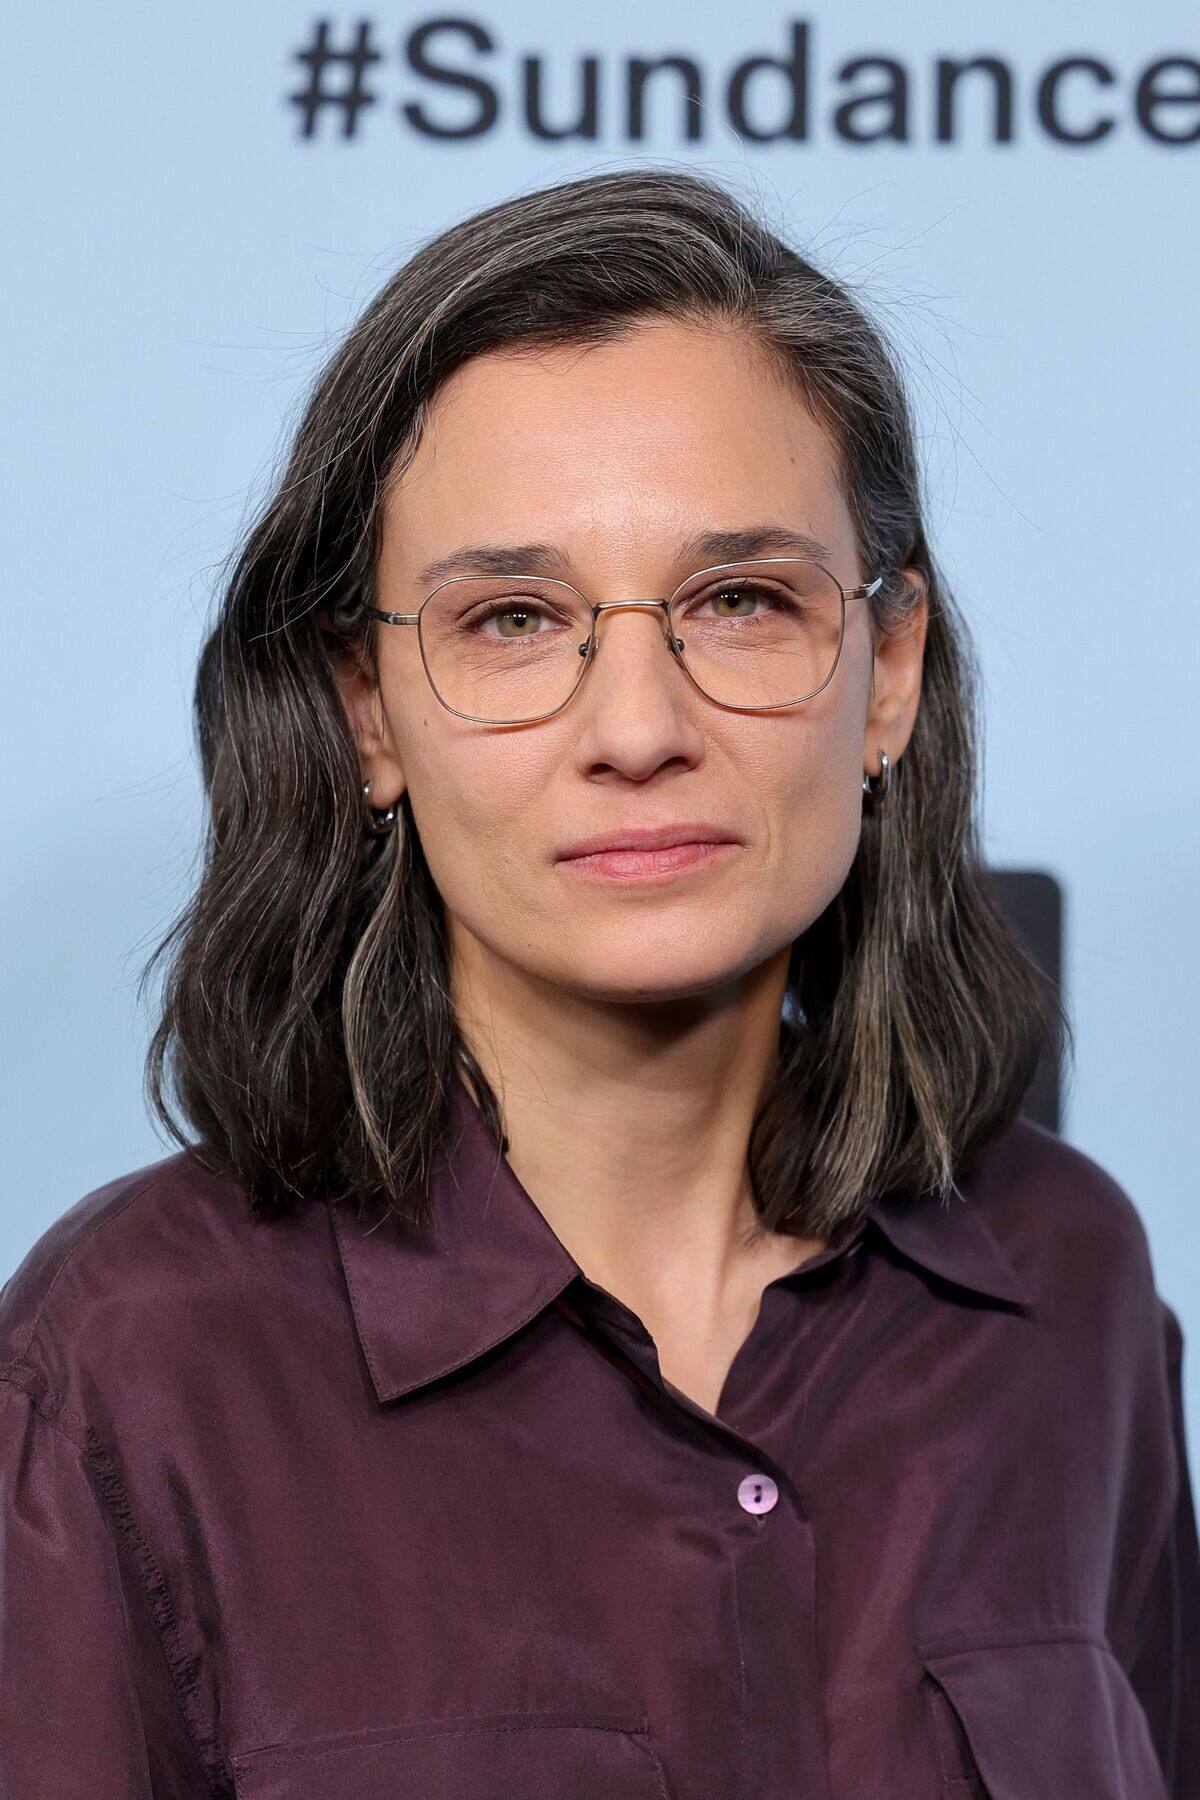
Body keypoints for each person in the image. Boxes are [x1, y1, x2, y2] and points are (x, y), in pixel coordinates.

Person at [1, 167, 1195, 1798]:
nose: (638, 727)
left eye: (742, 601)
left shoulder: (1073, 1291)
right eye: (511, 618)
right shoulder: (127, 1371)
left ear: (890, 671)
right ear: (367, 713)